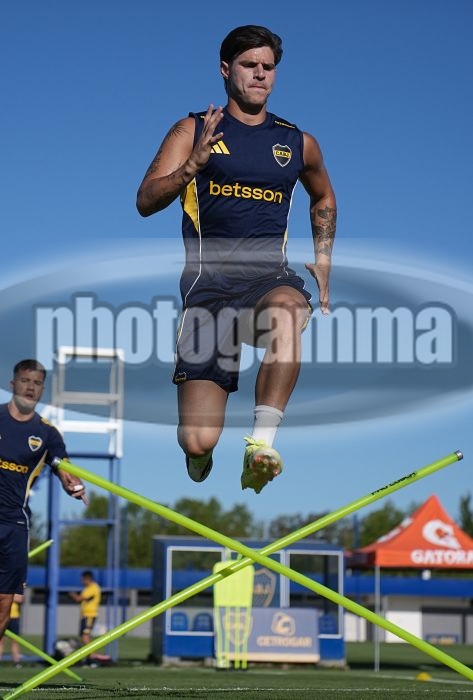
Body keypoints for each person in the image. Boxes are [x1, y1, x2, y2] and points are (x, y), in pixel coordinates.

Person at [136, 25, 337, 494]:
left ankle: (260, 447)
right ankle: (199, 456)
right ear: (226, 70)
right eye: (250, 65)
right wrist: (190, 168)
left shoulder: (297, 142)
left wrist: (324, 257)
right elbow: (145, 200)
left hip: (267, 281)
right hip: (207, 293)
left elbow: (323, 196)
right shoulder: (192, 129)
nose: (260, 74)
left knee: (289, 311)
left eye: (268, 67)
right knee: (198, 439)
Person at [0, 359, 87, 642]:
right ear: (13, 384)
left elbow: (64, 468)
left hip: (14, 523)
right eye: (25, 381)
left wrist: (72, 484)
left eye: (37, 383)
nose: (31, 387)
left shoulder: (47, 433)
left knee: (4, 604)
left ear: (42, 390)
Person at [68, 570, 101, 647]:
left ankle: (90, 652)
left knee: (85, 635)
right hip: (86, 615)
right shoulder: (88, 588)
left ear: (87, 579)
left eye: (83, 579)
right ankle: (89, 652)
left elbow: (79, 599)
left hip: (90, 615)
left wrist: (72, 595)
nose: (81, 581)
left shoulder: (92, 588)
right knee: (84, 635)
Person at [0, 593, 23, 666]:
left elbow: (20, 599)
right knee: (1, 640)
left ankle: (17, 662)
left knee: (15, 640)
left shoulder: (16, 588)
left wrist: (7, 596)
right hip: (2, 616)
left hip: (14, 617)